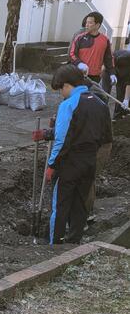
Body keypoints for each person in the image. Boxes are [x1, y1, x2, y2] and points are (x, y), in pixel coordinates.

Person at [32, 64, 112, 245]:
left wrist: (52, 165)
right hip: (90, 161)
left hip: (69, 163)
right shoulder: (100, 103)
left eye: (60, 89)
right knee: (80, 203)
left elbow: (62, 139)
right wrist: (47, 134)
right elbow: (105, 136)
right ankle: (74, 241)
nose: (61, 93)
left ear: (67, 85)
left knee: (60, 204)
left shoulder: (68, 104)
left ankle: (54, 242)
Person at [69, 11, 117, 88]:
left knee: (89, 98)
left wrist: (112, 73)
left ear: (97, 25)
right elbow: (72, 54)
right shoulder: (79, 37)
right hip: (78, 73)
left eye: (90, 23)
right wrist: (80, 64)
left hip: (95, 77)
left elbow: (109, 58)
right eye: (86, 22)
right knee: (75, 96)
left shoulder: (105, 40)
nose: (86, 25)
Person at [113, 48, 130, 119]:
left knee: (124, 97)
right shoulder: (123, 58)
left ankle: (124, 112)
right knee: (120, 95)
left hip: (122, 71)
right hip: (115, 71)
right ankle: (118, 115)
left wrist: (126, 99)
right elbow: (129, 84)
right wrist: (126, 99)